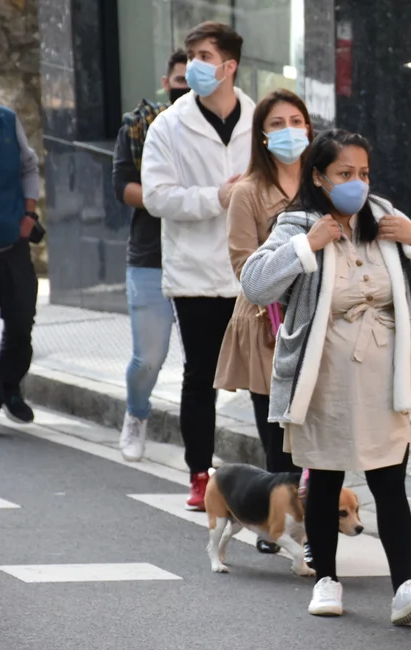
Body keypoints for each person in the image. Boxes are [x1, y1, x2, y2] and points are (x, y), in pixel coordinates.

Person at [241, 129, 411, 625]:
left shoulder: (385, 218)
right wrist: (305, 246)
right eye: (344, 173)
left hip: (383, 372)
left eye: (363, 173)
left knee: (390, 479)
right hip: (325, 372)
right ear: (318, 177)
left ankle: (404, 588)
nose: (357, 182)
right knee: (326, 477)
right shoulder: (297, 223)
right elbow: (254, 284)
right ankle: (326, 580)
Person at [141, 22, 254, 510]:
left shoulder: (260, 119)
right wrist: (218, 197)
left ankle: (281, 476)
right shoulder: (168, 125)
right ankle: (199, 473)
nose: (193, 66)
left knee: (263, 379)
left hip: (252, 272)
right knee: (201, 375)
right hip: (194, 272)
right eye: (191, 57)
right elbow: (156, 196)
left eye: (204, 57)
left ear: (229, 66)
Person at [214, 89, 312, 553]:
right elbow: (242, 263)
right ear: (262, 136)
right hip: (266, 325)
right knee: (277, 435)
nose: (288, 131)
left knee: (314, 431)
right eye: (276, 123)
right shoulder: (248, 192)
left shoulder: (322, 183)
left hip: (317, 322)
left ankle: (312, 520)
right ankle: (279, 522)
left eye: (296, 121)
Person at [113, 49, 189, 461]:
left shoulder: (223, 132)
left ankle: (199, 447)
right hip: (150, 258)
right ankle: (136, 414)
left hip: (200, 259)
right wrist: (178, 199)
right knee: (149, 358)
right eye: (179, 80)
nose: (186, 88)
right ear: (166, 83)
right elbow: (123, 187)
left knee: (202, 365)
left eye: (193, 80)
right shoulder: (140, 127)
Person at [0, 104, 41, 429]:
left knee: (21, 320)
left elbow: (29, 167)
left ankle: (9, 387)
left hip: (13, 241)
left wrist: (29, 214)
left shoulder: (7, 121)